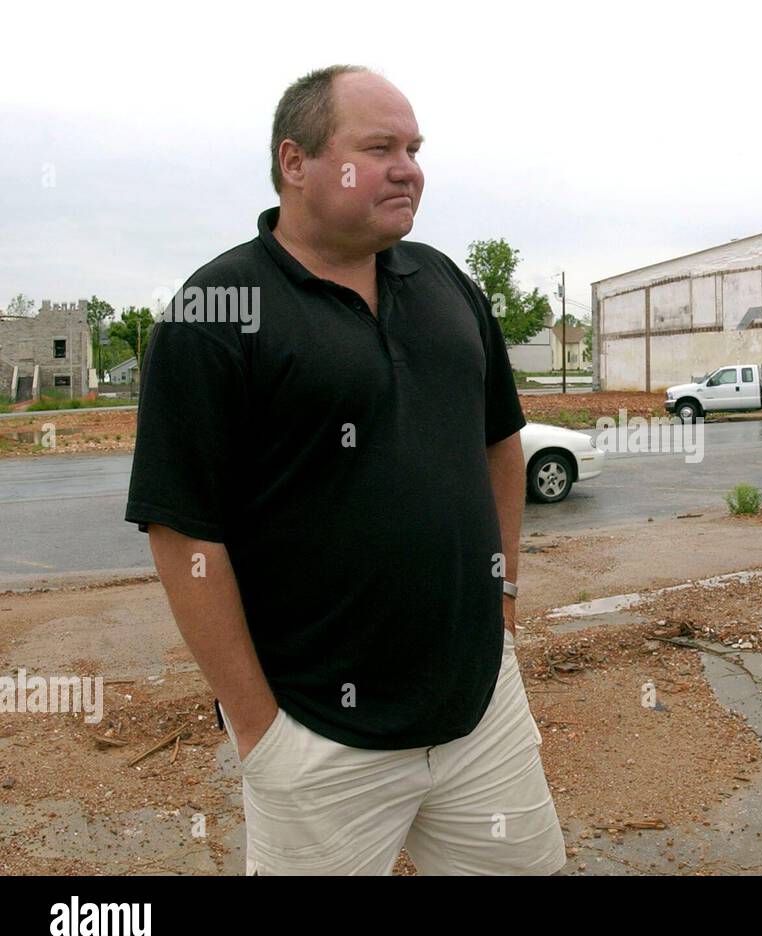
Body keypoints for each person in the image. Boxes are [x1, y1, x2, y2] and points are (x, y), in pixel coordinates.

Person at [125, 64, 566, 875]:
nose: (409, 167)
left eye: (415, 148)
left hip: (480, 709)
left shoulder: (443, 282)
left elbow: (500, 440)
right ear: (296, 163)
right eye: (379, 147)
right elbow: (182, 529)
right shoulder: (216, 311)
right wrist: (258, 728)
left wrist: (503, 603)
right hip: (319, 735)